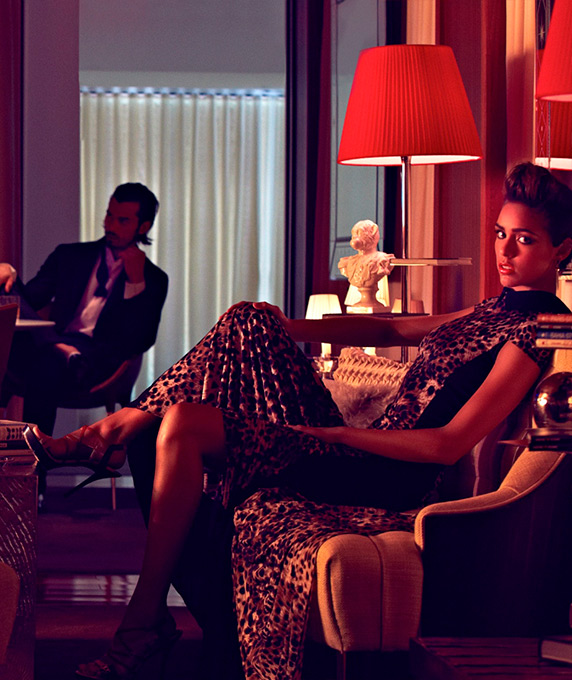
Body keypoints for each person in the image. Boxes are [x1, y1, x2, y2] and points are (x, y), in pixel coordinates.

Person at [36, 162, 572, 680]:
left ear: (562, 250)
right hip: (358, 448)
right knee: (247, 317)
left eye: (524, 240)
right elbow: (391, 331)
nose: (504, 251)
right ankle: (115, 447)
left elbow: (446, 445)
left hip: (387, 475)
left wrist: (335, 433)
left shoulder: (540, 329)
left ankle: (139, 603)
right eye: (500, 234)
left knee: (183, 424)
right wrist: (286, 326)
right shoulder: (492, 308)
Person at [0, 182, 168, 436]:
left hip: (96, 361)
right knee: (5, 296)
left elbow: (140, 341)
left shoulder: (154, 279)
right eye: (109, 216)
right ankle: (59, 347)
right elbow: (27, 300)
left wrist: (135, 283)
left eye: (122, 221)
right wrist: (6, 270)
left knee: (43, 363)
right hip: (53, 346)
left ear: (143, 227)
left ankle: (36, 454)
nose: (110, 225)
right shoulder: (69, 256)